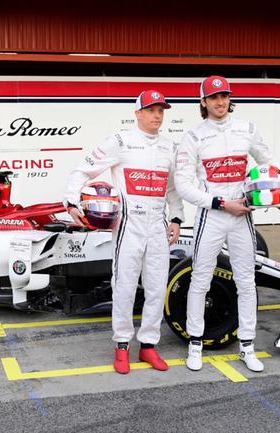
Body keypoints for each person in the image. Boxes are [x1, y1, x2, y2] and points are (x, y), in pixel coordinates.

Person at [174, 76, 280, 373]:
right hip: (212, 215)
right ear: (203, 102)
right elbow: (182, 184)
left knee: (246, 281)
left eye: (224, 96)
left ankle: (247, 345)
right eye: (213, 97)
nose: (220, 102)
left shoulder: (247, 129)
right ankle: (196, 343)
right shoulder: (193, 136)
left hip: (242, 215)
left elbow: (269, 163)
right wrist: (219, 203)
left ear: (229, 98)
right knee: (200, 281)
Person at [64, 90, 184, 374]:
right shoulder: (120, 141)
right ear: (138, 113)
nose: (157, 115)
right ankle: (121, 346)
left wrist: (177, 218)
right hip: (128, 226)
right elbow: (82, 171)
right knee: (125, 287)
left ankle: (148, 347)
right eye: (151, 110)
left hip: (157, 226)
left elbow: (173, 190)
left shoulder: (170, 147)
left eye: (161, 110)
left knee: (156, 288)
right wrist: (71, 202)